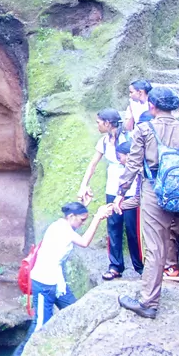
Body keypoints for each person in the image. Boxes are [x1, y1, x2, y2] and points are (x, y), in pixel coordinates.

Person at [2, 202, 111, 356]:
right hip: (44, 283)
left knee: (75, 311)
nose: (83, 223)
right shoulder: (62, 229)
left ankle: (70, 352)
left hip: (58, 283)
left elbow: (74, 219)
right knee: (40, 325)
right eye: (82, 219)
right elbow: (84, 242)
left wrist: (84, 202)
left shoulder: (63, 224)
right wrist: (98, 217)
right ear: (71, 217)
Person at [114, 87, 179, 318]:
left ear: (152, 106)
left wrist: (121, 192)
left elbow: (133, 165)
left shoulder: (144, 129)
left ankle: (148, 303)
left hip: (154, 192)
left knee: (155, 247)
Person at [77, 109, 137, 280]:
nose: (97, 125)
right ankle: (115, 266)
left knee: (132, 229)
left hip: (131, 190)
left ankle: (140, 266)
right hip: (112, 189)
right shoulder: (104, 141)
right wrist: (83, 185)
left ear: (108, 123)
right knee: (113, 226)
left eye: (99, 122)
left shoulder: (129, 138)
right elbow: (93, 164)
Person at [111, 141, 144, 277]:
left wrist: (119, 204)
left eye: (120, 157)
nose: (119, 161)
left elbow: (139, 198)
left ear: (130, 156)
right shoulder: (140, 170)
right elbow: (138, 197)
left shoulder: (143, 170)